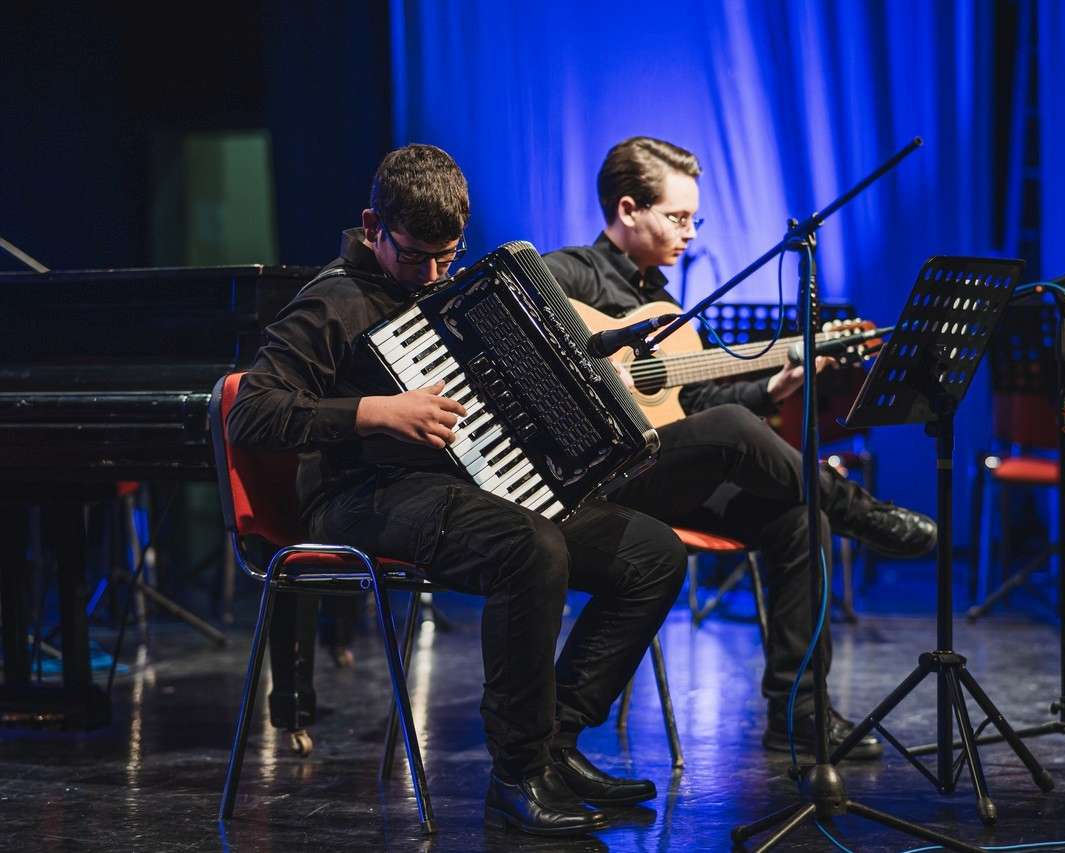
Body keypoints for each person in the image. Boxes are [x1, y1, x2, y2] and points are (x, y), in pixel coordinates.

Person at [227, 143, 687, 837]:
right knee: (529, 547)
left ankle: (555, 741)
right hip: (359, 495)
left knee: (652, 553)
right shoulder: (331, 302)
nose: (433, 275)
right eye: (416, 257)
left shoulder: (453, 289)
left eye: (447, 257)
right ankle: (517, 773)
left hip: (465, 484)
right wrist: (374, 412)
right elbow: (252, 411)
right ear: (373, 226)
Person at [543, 137, 938, 760]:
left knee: (798, 517)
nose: (690, 233)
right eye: (678, 218)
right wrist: (596, 373)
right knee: (733, 427)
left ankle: (797, 712)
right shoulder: (567, 274)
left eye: (694, 220)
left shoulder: (668, 306)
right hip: (598, 481)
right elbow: (516, 331)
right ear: (627, 209)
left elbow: (694, 406)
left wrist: (772, 388)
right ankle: (859, 511)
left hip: (662, 476)